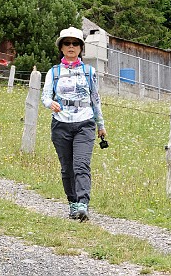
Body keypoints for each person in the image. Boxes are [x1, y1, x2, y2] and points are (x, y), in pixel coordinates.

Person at [41, 26, 107, 221]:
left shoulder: (89, 72)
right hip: (60, 124)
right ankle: (72, 203)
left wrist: (100, 125)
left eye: (75, 43)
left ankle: (83, 204)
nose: (71, 46)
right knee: (67, 167)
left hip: (84, 123)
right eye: (67, 43)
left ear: (81, 48)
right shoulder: (53, 72)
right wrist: (49, 103)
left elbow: (95, 98)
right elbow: (45, 96)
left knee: (81, 165)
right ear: (61, 47)